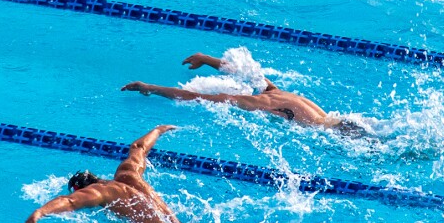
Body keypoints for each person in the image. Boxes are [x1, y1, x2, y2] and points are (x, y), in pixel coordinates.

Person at [22, 125, 373, 223]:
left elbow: (70, 201)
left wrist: (39, 212)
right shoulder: (126, 175)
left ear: (88, 188)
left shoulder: (103, 194)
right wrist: (159, 129)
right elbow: (137, 148)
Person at [121, 52, 367, 136]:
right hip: (343, 122)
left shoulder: (253, 101)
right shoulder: (275, 90)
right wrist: (207, 59)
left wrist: (150, 87)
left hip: (333, 135)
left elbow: (193, 97)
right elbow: (247, 72)